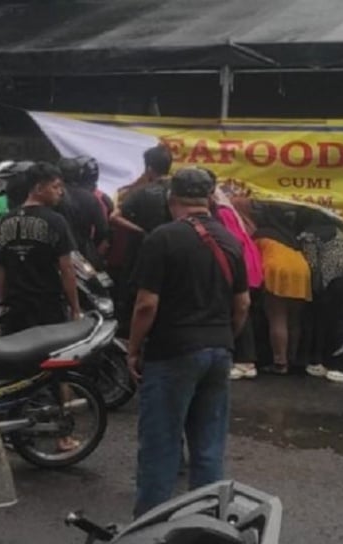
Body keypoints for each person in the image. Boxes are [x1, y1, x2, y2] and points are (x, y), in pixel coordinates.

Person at [127, 167, 250, 516]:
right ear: (209, 198)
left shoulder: (162, 238)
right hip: (219, 350)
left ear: (171, 199)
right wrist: (224, 338)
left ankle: (150, 525)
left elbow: (146, 304)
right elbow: (243, 304)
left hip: (172, 351)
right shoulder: (231, 240)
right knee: (209, 447)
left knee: (161, 446)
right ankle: (206, 523)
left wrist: (133, 349)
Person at [0, 161, 81, 334]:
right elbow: (67, 268)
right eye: (55, 187)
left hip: (15, 309)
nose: (60, 192)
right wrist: (75, 308)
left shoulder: (6, 221)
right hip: (47, 309)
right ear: (39, 188)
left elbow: (2, 268)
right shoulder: (56, 221)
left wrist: (0, 302)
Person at [298, 210, 343, 383]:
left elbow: (313, 265)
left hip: (339, 280)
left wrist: (315, 292)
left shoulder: (309, 234)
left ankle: (339, 366)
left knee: (336, 321)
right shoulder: (338, 231)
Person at [109, 145, 173, 329]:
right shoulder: (178, 190)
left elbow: (114, 217)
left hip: (141, 255)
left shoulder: (141, 192)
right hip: (173, 252)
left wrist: (141, 231)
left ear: (149, 168)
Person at [208, 178, 264, 381]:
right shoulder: (227, 210)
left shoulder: (222, 213)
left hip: (240, 264)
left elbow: (230, 241)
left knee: (241, 311)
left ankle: (245, 361)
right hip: (247, 262)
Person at [253, 203, 312, 374]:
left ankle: (280, 362)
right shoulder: (291, 235)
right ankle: (292, 358)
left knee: (277, 317)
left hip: (278, 271)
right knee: (294, 319)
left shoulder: (261, 234)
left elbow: (253, 258)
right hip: (302, 271)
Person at [56, 156, 109, 268]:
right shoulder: (90, 197)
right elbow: (103, 230)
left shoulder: (51, 196)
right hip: (83, 252)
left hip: (56, 253)